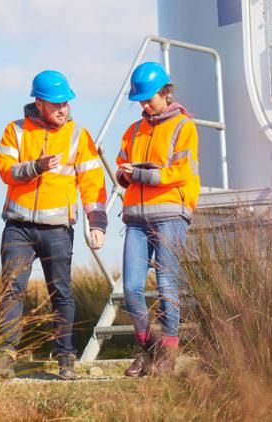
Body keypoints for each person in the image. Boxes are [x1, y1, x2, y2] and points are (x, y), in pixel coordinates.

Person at [0, 70, 107, 380]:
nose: (62, 109)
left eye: (65, 103)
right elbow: (6, 170)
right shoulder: (15, 131)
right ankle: (5, 356)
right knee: (12, 290)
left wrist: (97, 223)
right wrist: (36, 167)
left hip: (57, 230)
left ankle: (66, 358)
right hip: (18, 226)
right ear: (38, 102)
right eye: (55, 104)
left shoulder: (79, 136)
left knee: (61, 293)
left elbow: (92, 183)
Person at [115, 61, 199, 377]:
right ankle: (148, 351)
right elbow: (123, 165)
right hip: (135, 218)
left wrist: (140, 174)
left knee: (166, 285)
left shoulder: (184, 127)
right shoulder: (132, 131)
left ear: (166, 92)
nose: (145, 104)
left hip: (170, 215)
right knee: (132, 288)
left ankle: (167, 355)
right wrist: (125, 176)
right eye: (141, 99)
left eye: (149, 97)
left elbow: (182, 173)